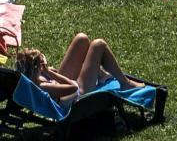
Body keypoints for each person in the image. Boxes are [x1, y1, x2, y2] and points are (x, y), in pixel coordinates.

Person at [14, 34, 146, 104]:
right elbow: (74, 88)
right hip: (79, 91)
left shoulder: (33, 80)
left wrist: (49, 73)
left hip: (62, 87)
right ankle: (125, 83)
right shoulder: (43, 86)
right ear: (37, 68)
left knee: (81, 39)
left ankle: (100, 74)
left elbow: (54, 78)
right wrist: (49, 73)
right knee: (98, 45)